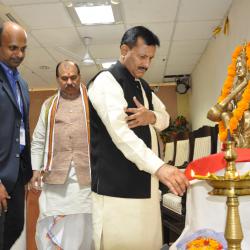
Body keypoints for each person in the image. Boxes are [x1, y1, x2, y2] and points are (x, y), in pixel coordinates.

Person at [88, 26, 189, 250]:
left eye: (151, 58)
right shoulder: (106, 82)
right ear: (125, 50)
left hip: (147, 189)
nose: (147, 64)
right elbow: (121, 135)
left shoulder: (142, 86)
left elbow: (165, 119)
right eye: (142, 56)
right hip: (117, 194)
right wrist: (161, 168)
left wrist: (150, 116)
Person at [30, 60, 92, 250]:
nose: (69, 81)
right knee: (53, 226)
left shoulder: (93, 102)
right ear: (57, 79)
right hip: (56, 179)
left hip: (87, 180)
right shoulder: (49, 105)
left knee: (84, 227)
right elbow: (39, 139)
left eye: (73, 77)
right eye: (64, 78)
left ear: (79, 76)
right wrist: (35, 169)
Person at [0, 21, 32, 250]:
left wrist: (26, 171)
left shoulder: (22, 83)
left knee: (15, 227)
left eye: (23, 48)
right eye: (13, 48)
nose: (19, 54)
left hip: (17, 176)